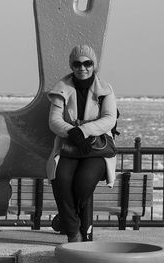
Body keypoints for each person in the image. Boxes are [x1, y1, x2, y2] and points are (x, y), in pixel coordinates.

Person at [46, 44, 117, 242]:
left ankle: (67, 218)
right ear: (71, 65)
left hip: (96, 149)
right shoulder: (62, 89)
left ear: (94, 65)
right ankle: (73, 232)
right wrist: (72, 133)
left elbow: (110, 119)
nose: (82, 68)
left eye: (87, 63)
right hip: (69, 145)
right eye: (77, 64)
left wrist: (83, 131)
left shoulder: (105, 90)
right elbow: (54, 120)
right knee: (61, 179)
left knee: (83, 183)